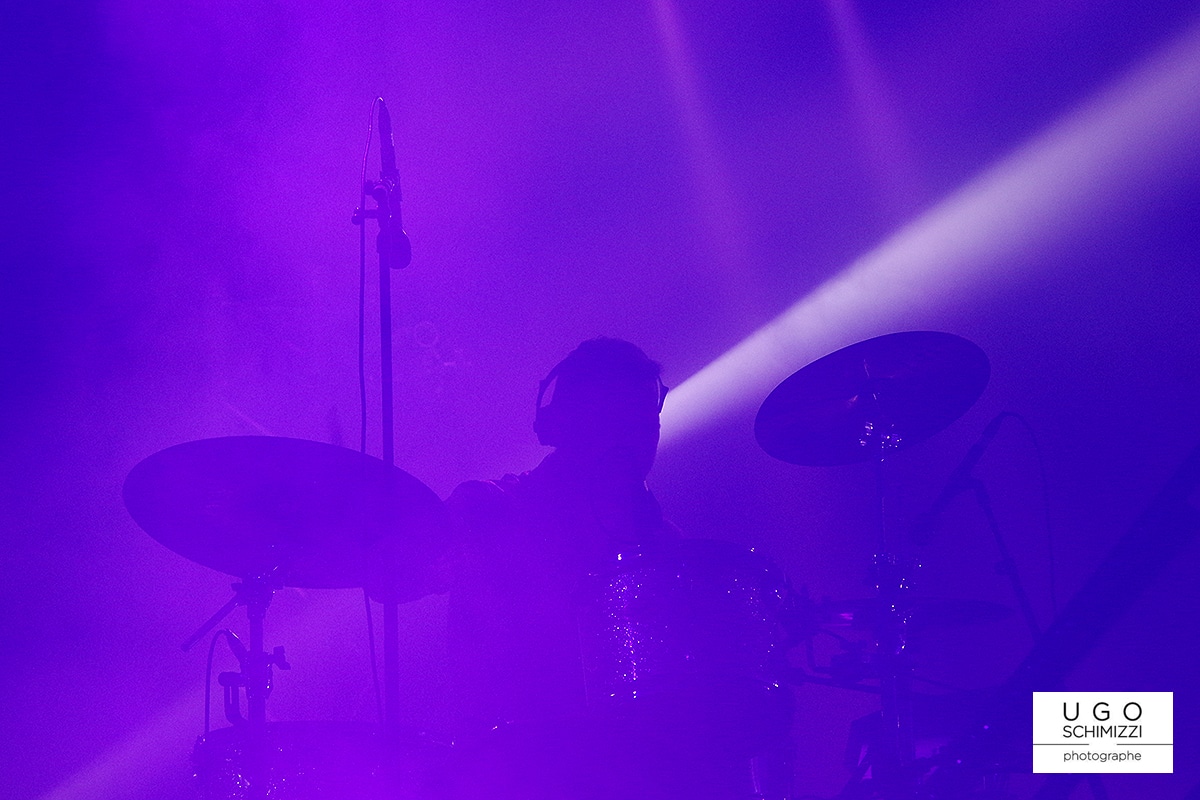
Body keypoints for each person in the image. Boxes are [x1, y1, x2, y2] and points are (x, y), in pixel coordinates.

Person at [439, 337, 790, 799]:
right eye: (618, 421)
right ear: (565, 423)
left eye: (647, 423)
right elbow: (410, 577)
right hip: (522, 773)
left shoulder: (665, 544)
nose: (637, 440)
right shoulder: (495, 508)